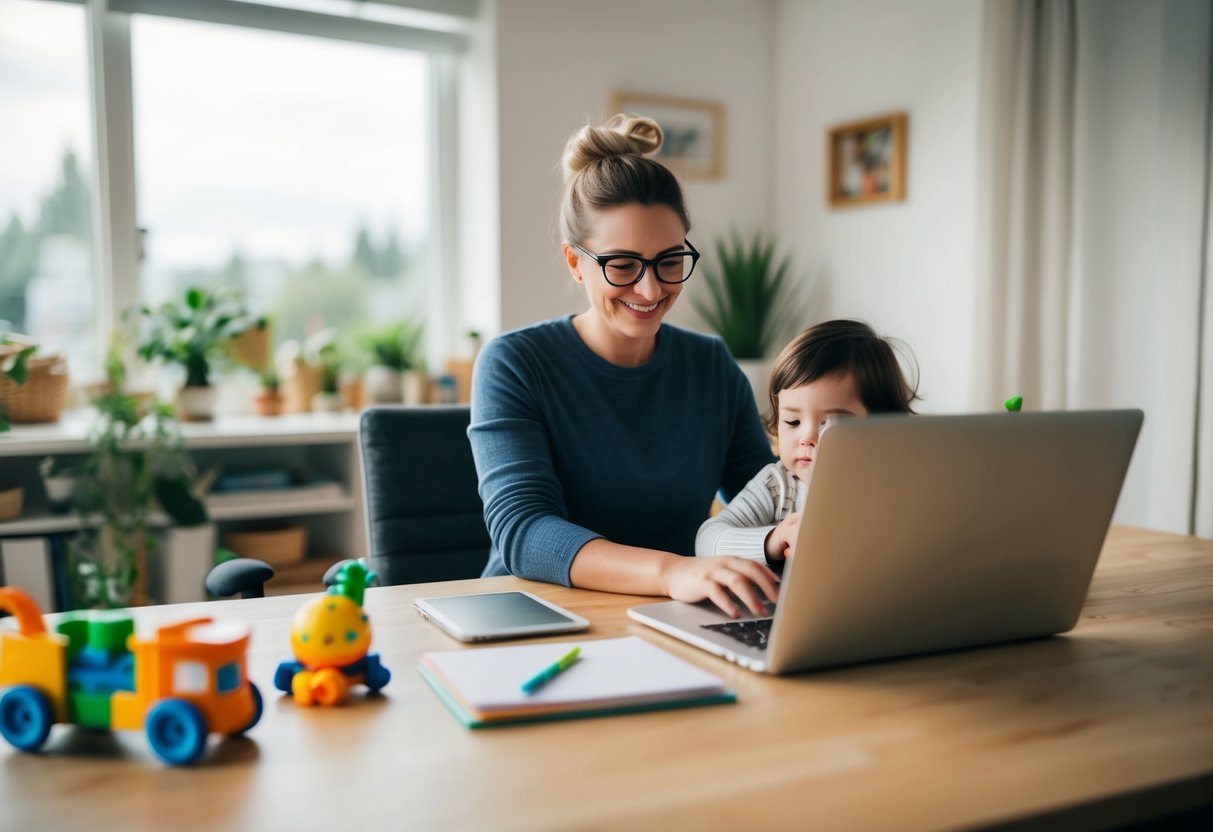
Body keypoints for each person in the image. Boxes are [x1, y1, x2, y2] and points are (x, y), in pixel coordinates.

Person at [469, 114, 779, 619]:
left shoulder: (710, 365)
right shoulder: (516, 363)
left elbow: (768, 496)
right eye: (623, 264)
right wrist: (671, 572)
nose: (651, 289)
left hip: (675, 613)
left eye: (669, 260)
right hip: (537, 615)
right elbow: (523, 532)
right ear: (575, 263)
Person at [696, 319, 918, 565]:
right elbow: (706, 540)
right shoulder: (777, 486)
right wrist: (773, 539)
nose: (807, 438)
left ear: (881, 426)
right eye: (792, 421)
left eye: (831, 423)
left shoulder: (895, 484)